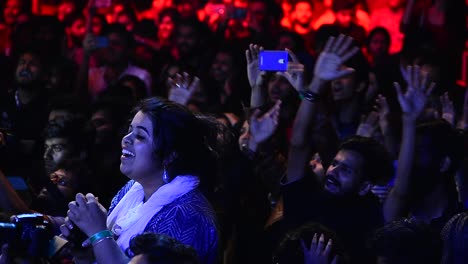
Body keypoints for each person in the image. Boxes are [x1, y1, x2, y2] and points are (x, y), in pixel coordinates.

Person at [60, 97, 219, 264]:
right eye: (130, 130)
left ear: (170, 155)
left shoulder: (186, 217)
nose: (125, 139)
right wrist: (85, 250)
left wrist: (98, 233)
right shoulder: (132, 189)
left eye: (140, 136)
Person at [279, 35, 394, 263]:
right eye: (335, 164)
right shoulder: (308, 195)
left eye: (346, 170)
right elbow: (299, 143)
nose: (333, 172)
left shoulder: (368, 220)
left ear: (364, 187)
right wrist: (317, 83)